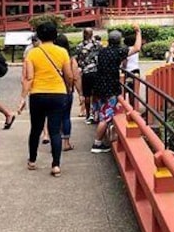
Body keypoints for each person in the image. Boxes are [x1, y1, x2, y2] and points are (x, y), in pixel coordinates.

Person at [18, 22, 79, 176]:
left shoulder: (32, 53)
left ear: (39, 36)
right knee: (54, 131)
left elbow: (29, 77)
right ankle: (56, 165)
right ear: (55, 35)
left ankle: (32, 160)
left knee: (36, 129)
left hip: (37, 94)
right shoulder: (62, 52)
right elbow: (69, 75)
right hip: (58, 94)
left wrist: (23, 97)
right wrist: (69, 88)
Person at [90, 25, 141, 154]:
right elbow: (137, 48)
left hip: (98, 86)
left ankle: (106, 134)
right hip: (110, 88)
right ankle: (97, 143)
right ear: (119, 40)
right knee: (105, 117)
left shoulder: (102, 51)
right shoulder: (118, 51)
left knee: (102, 112)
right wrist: (138, 32)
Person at [55, 33, 79, 152]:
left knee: (54, 117)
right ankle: (66, 143)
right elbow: (74, 76)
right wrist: (80, 93)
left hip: (53, 90)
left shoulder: (51, 57)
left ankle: (56, 142)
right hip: (66, 90)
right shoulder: (70, 59)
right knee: (65, 116)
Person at [75, 28, 101, 122]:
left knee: (87, 95)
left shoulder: (80, 46)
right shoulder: (98, 44)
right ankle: (96, 113)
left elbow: (78, 60)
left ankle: (88, 114)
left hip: (86, 72)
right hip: (96, 71)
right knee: (96, 94)